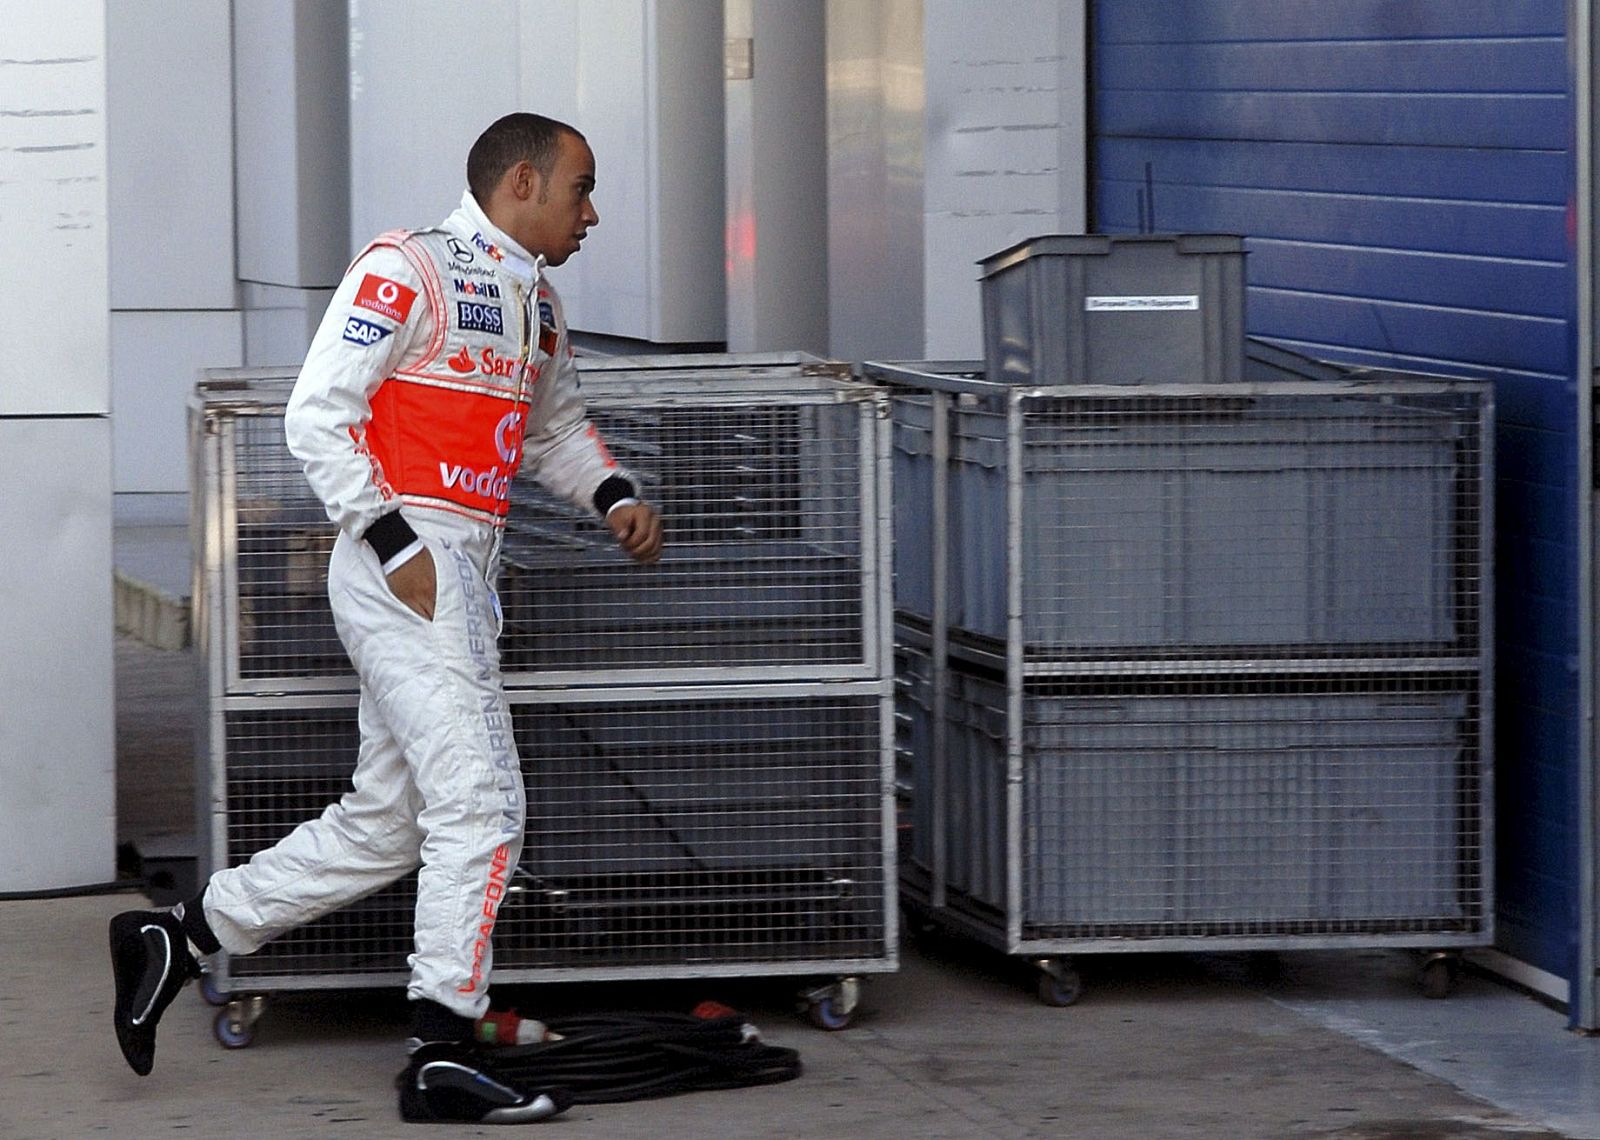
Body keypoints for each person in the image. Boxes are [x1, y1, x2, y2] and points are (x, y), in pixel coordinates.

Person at [109, 112, 663, 1125]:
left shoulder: (538, 304)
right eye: (580, 188)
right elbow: (316, 410)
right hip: (410, 564)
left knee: (395, 820)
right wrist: (394, 543)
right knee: (483, 806)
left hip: (459, 567)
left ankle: (186, 936)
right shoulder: (408, 266)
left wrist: (614, 493)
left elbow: (555, 432)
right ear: (523, 185)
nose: (593, 212)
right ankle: (442, 1050)